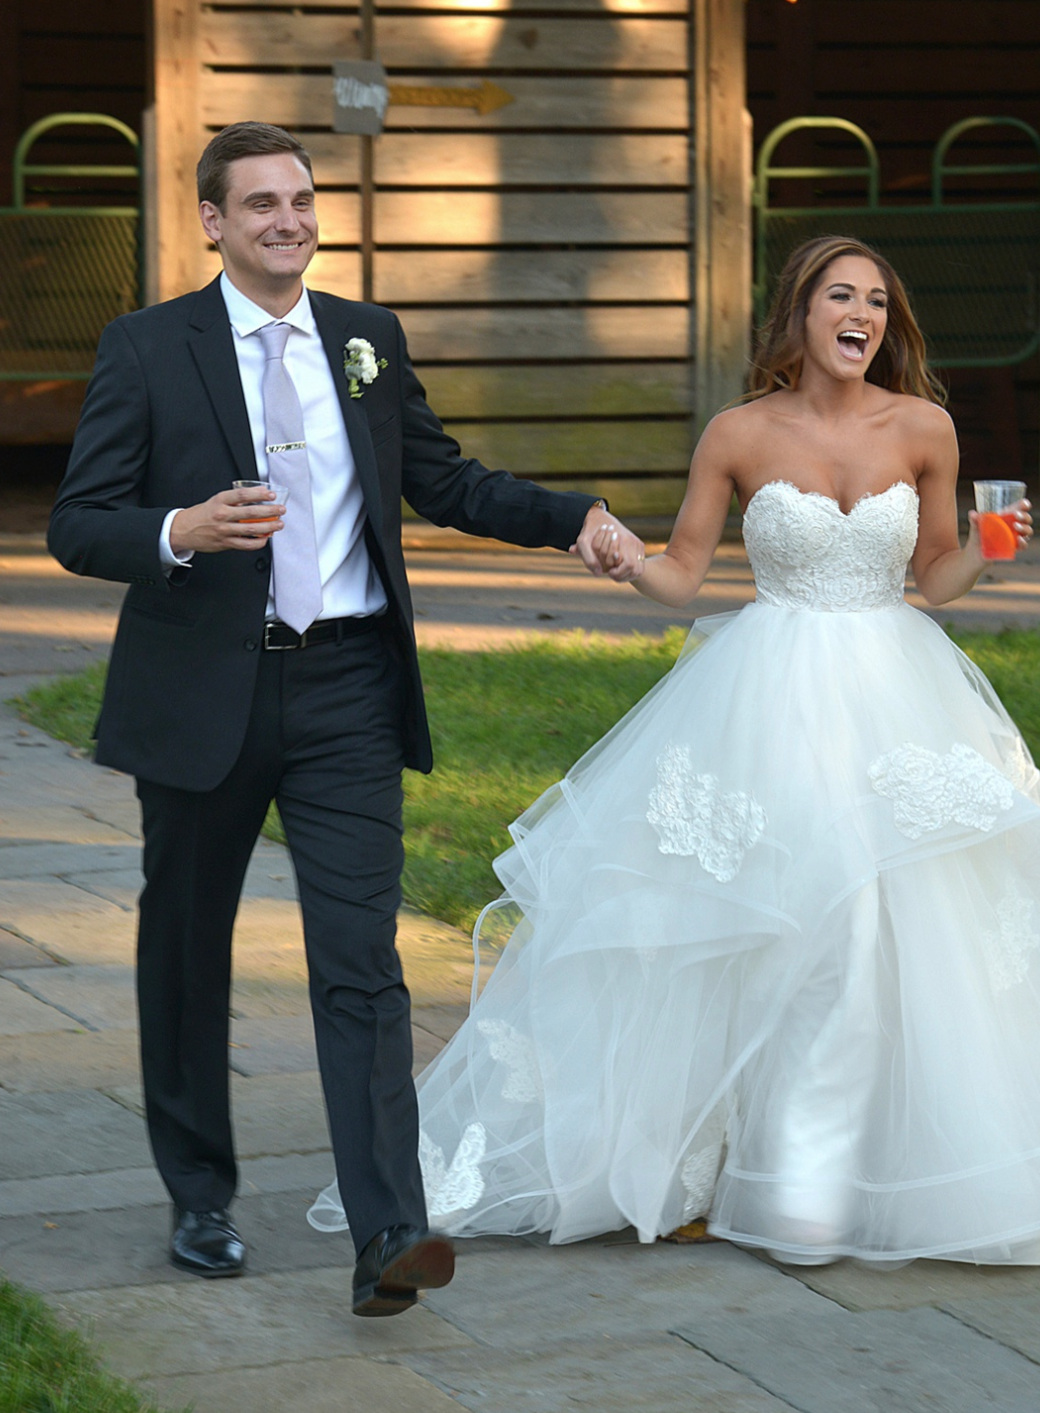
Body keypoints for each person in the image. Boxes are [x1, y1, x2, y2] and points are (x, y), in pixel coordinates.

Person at [310, 234, 1040, 1265]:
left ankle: (851, 1174)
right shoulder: (738, 432)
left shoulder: (926, 429)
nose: (861, 315)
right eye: (840, 297)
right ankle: (759, 1170)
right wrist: (624, 560)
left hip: (897, 693)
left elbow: (937, 576)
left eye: (876, 302)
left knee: (884, 924)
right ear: (801, 315)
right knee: (777, 924)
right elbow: (685, 574)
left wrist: (992, 556)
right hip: (766, 694)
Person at [47, 120, 646, 1315]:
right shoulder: (147, 346)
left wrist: (569, 515)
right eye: (260, 203)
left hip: (348, 690)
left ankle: (388, 1231)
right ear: (212, 221)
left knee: (361, 962)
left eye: (303, 201)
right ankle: (200, 1194)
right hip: (204, 691)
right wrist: (180, 530)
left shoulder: (366, 341)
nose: (289, 221)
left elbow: (446, 478)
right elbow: (81, 520)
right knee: (184, 950)